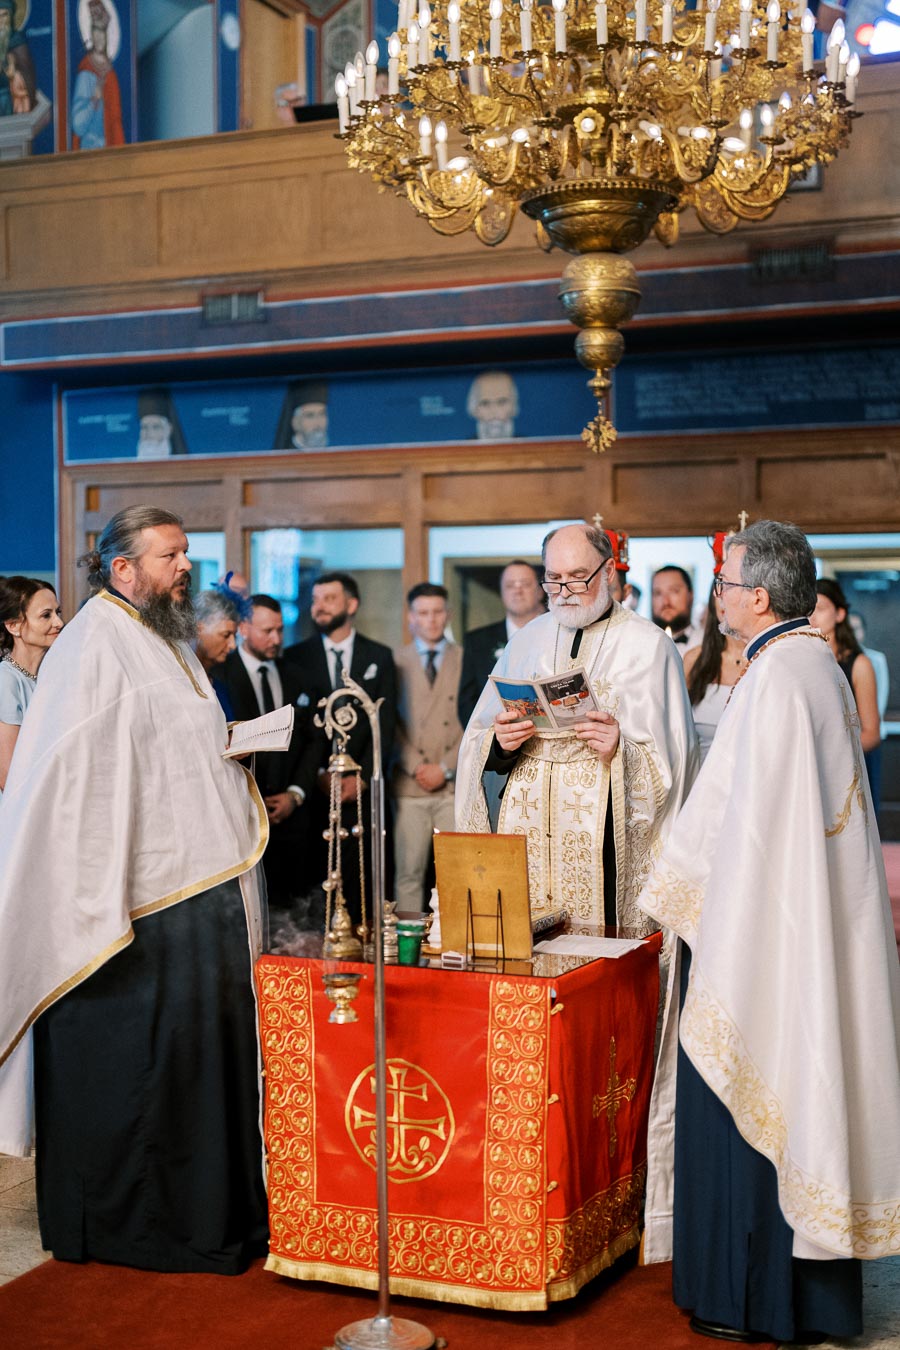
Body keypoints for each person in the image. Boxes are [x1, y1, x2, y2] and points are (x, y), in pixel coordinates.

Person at [639, 520, 900, 1343]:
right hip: (799, 928)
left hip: (759, 939)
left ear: (756, 595)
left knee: (747, 1089)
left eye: (722, 584)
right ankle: (802, 1301)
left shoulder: (778, 680)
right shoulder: (809, 666)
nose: (717, 598)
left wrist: (675, 892)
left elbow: (738, 835)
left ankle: (749, 1298)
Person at [0, 506, 269, 1274]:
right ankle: (150, 1226)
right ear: (123, 568)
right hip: (129, 903)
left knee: (195, 1058)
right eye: (171, 555)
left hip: (187, 889)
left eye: (187, 553)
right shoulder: (93, 641)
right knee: (147, 1065)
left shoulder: (156, 633)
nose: (186, 567)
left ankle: (216, 1211)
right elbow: (76, 773)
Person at [456, 523, 698, 927]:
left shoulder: (650, 646)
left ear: (607, 573)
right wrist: (502, 743)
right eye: (554, 579)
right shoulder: (526, 641)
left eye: (576, 577)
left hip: (602, 836)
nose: (564, 590)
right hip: (527, 828)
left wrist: (619, 750)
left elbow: (675, 764)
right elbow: (479, 741)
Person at [284, 571, 396, 918]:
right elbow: (297, 727)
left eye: (329, 599)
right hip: (314, 793)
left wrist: (360, 778)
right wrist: (317, 774)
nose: (319, 607)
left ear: (351, 604)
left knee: (362, 885)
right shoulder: (294, 657)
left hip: (362, 791)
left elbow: (386, 723)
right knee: (313, 888)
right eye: (315, 600)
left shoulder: (379, 655)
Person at [220, 594, 318, 913]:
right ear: (244, 628)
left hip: (293, 817)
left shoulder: (297, 674)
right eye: (267, 631)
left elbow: (312, 740)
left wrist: (296, 793)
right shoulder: (221, 676)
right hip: (243, 814)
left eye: (280, 630)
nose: (276, 639)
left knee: (294, 912)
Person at [392, 583, 464, 912]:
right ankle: (408, 951)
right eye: (423, 613)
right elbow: (389, 723)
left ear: (447, 615)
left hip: (452, 785)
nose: (431, 620)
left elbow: (474, 719)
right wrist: (417, 767)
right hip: (410, 786)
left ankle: (454, 941)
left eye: (437, 612)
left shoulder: (464, 658)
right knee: (408, 872)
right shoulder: (394, 660)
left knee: (455, 872)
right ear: (410, 618)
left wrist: (445, 768)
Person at [813, 578, 881, 812]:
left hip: (845, 771)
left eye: (820, 609)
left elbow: (872, 732)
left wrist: (832, 755)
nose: (812, 617)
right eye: (808, 610)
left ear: (840, 614)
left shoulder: (859, 664)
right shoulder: (803, 659)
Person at [457, 559, 545, 726]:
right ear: (502, 593)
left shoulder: (557, 633)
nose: (517, 591)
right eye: (510, 585)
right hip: (496, 741)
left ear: (540, 591)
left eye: (525, 584)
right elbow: (467, 703)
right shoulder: (477, 641)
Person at [0, 576, 63, 794]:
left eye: (58, 613)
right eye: (46, 616)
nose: (59, 623)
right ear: (13, 626)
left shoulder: (50, 676)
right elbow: (8, 775)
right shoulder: (6, 681)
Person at [683, 582, 747, 763]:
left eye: (734, 587)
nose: (724, 599)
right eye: (720, 588)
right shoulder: (695, 660)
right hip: (700, 782)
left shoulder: (767, 661)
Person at [71, 0, 125, 151]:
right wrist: (93, 100)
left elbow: (116, 121)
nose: (100, 37)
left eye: (103, 31)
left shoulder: (111, 75)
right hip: (89, 154)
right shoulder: (86, 74)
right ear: (90, 33)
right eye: (96, 30)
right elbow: (77, 125)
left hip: (109, 153)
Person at [194, 588, 241, 720]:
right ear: (198, 628)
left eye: (234, 636)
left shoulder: (221, 686)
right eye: (226, 635)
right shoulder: (178, 681)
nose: (233, 645)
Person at [651, 564, 701, 652]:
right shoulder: (640, 644)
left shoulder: (706, 642)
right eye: (658, 593)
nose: (666, 602)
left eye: (674, 591)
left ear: (691, 595)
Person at [274, 380, 329, 450]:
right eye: (310, 416)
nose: (318, 423)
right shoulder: (287, 457)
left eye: (322, 414)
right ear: (295, 423)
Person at [466, 370, 519, 440]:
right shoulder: (462, 449)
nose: (494, 412)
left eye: (501, 402)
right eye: (485, 403)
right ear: (475, 409)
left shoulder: (528, 446)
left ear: (513, 407)